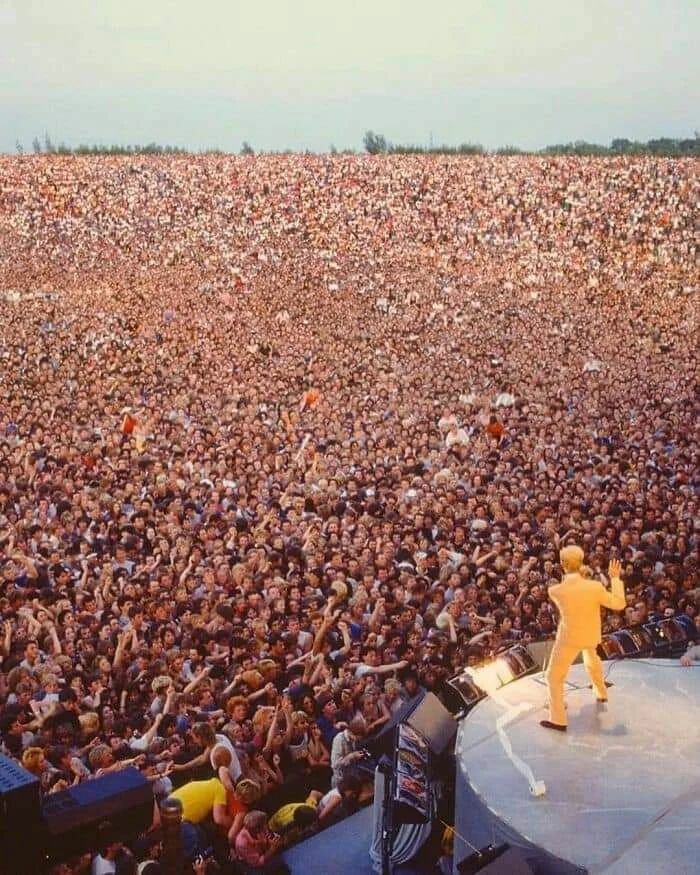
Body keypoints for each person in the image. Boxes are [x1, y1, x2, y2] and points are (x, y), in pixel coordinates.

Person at [542, 548, 626, 731]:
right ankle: (601, 691)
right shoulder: (594, 587)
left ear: (563, 565)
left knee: (554, 677)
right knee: (591, 657)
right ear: (581, 563)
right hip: (590, 635)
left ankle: (558, 719)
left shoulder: (555, 590)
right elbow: (620, 604)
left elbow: (570, 586)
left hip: (568, 639)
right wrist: (615, 578)